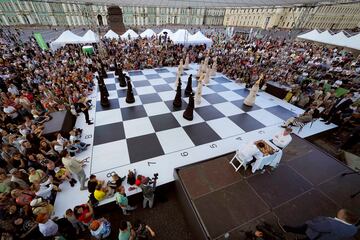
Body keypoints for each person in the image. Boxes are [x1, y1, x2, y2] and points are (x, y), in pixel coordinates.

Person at [281, 209, 358, 240]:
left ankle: (288, 229)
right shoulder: (354, 229)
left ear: (343, 218)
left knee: (303, 229)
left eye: (341, 212)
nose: (339, 211)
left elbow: (316, 227)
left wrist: (309, 222)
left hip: (316, 234)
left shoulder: (331, 224)